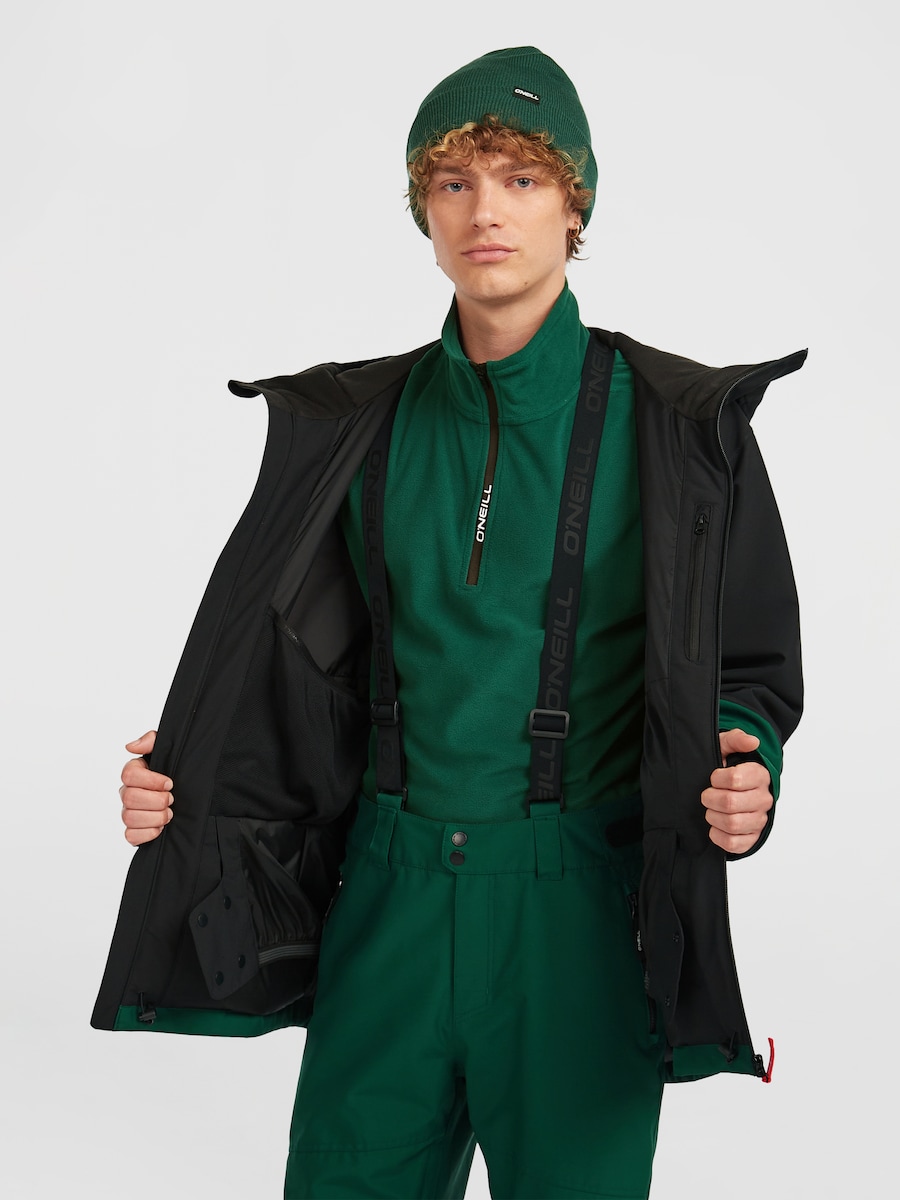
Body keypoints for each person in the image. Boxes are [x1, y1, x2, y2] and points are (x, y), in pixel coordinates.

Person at [96, 47, 804, 1200]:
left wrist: (747, 764)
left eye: (522, 179)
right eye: (454, 182)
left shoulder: (682, 429)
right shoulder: (350, 426)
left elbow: (750, 669)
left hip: (582, 916)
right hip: (390, 906)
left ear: (575, 205)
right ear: (423, 208)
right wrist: (186, 775)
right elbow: (293, 673)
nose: (486, 213)